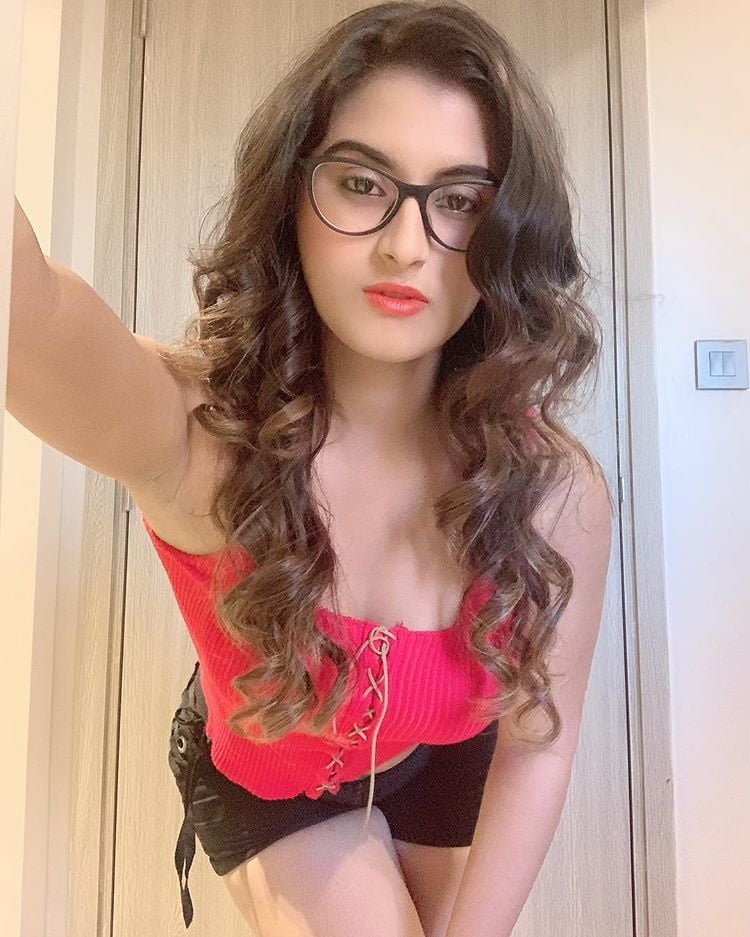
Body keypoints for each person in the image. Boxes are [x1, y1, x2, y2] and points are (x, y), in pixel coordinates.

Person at [8, 2, 613, 936]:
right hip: (272, 775)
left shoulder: (553, 492)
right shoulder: (198, 436)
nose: (406, 245)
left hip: (442, 751)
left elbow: (539, 747)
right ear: (292, 194)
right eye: (362, 183)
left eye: (461, 201)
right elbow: (28, 318)